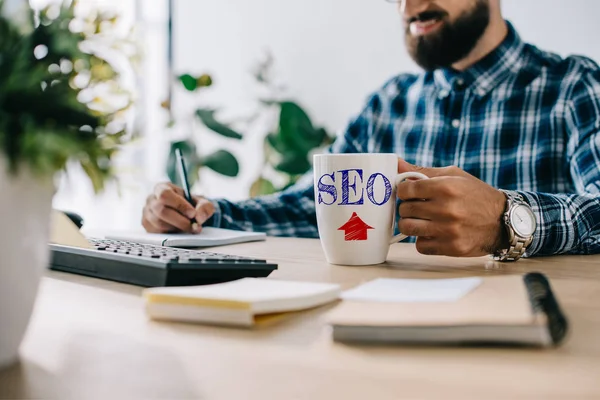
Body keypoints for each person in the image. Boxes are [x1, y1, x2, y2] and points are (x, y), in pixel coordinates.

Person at [142, 0, 600, 260]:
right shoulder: (389, 102)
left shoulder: (574, 86)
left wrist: (508, 219)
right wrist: (207, 217)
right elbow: (317, 206)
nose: (409, 7)